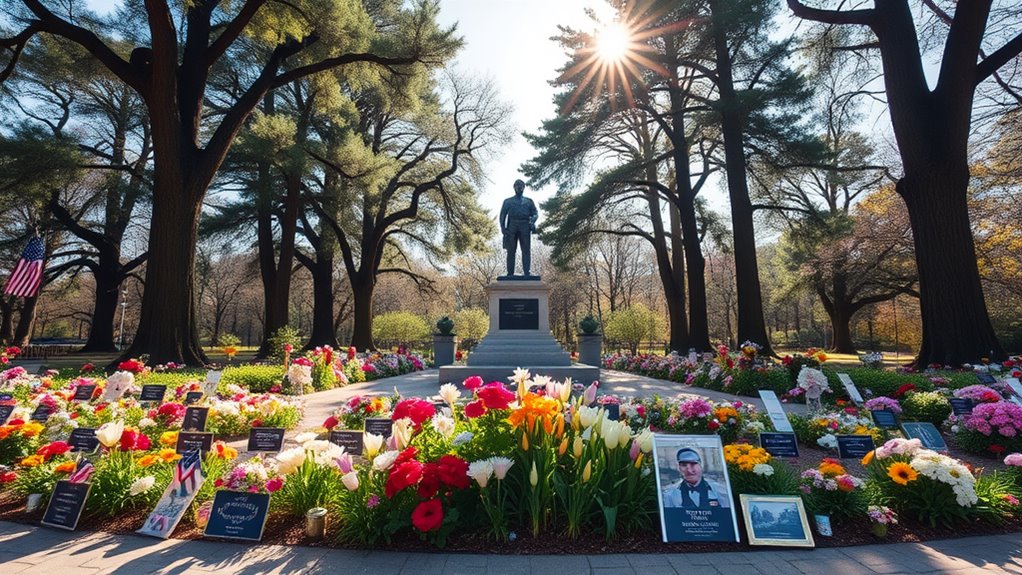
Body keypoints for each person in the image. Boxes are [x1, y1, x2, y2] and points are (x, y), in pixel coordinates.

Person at [499, 179, 539, 277]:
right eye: (517, 185)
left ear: (524, 187)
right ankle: (510, 273)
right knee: (511, 250)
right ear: (514, 187)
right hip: (512, 225)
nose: (519, 187)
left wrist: (533, 220)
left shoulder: (529, 201)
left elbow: (535, 213)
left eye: (521, 185)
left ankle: (527, 272)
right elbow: (502, 215)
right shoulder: (508, 201)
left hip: (525, 225)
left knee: (526, 250)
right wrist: (503, 227)